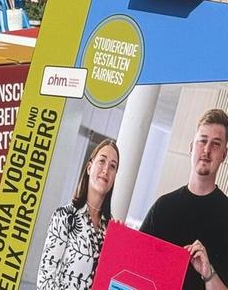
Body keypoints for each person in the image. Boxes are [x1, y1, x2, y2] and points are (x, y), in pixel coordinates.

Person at [140, 108, 228, 290]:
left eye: (215, 144)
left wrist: (208, 273)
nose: (207, 150)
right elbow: (134, 267)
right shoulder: (163, 208)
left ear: (224, 155)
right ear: (191, 147)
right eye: (202, 140)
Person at [37, 139, 119, 290]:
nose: (106, 170)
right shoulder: (65, 216)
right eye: (102, 161)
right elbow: (45, 280)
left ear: (114, 178)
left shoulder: (110, 230)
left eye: (112, 166)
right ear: (89, 168)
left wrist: (119, 242)